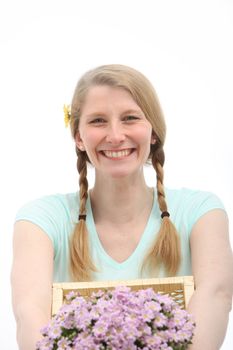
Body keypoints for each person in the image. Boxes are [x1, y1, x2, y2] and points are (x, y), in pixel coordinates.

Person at [11, 64, 233, 350]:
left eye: (130, 118)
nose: (115, 136)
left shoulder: (201, 211)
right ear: (78, 137)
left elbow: (217, 295)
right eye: (98, 121)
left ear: (153, 131)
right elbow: (29, 313)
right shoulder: (40, 219)